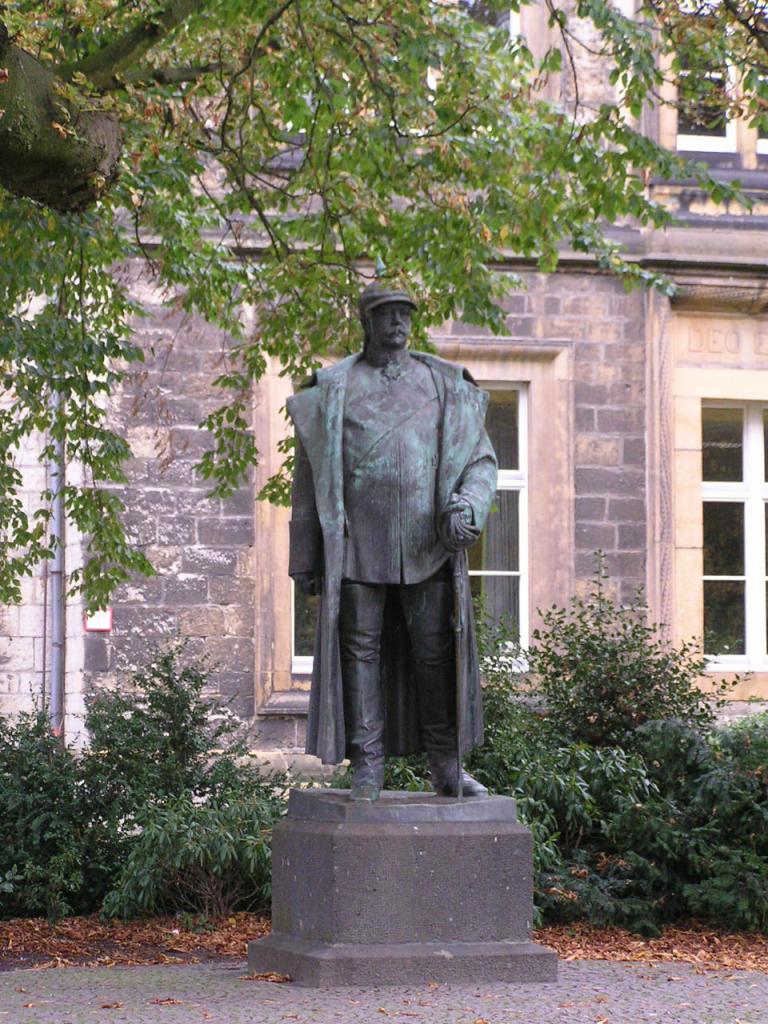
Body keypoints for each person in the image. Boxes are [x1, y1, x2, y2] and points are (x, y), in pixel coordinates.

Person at [287, 282, 498, 801]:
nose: (398, 322)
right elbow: (309, 479)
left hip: (428, 548)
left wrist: (469, 507)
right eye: (386, 313)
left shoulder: (445, 384)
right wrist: (306, 556)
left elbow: (480, 463)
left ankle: (446, 766)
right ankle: (367, 764)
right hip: (357, 547)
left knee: (436, 654)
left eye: (405, 313)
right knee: (359, 654)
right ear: (366, 321)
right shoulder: (333, 388)